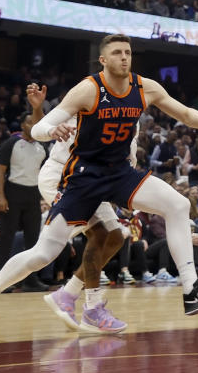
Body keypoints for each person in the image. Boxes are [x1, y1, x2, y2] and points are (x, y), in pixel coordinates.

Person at [0, 34, 198, 339]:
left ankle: (191, 290)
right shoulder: (87, 89)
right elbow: (41, 127)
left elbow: (186, 114)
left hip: (120, 172)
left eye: (128, 52)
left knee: (176, 206)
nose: (124, 57)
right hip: (81, 177)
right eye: (117, 53)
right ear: (103, 60)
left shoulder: (145, 87)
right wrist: (51, 129)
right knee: (45, 252)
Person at [25, 82, 131, 334]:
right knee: (99, 234)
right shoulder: (80, 103)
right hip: (61, 176)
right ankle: (93, 308)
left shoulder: (125, 121)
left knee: (116, 236)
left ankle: (68, 294)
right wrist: (38, 109)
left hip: (92, 179)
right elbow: (36, 130)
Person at [0, 114, 47, 291]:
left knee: (33, 239)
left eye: (36, 122)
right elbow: (0, 171)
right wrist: (1, 196)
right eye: (30, 122)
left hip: (33, 194)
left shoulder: (42, 147)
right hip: (13, 191)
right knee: (6, 238)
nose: (33, 125)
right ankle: (0, 280)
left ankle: (30, 280)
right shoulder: (11, 143)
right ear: (22, 125)